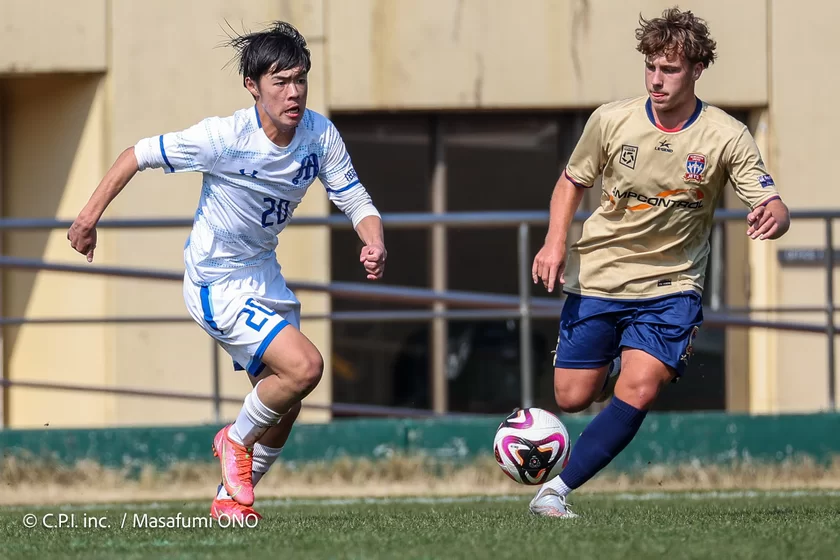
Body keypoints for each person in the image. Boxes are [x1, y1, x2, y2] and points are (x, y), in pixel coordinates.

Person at [67, 21, 386, 520]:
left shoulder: (319, 134)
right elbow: (136, 155)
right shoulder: (223, 137)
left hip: (263, 274)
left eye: (300, 79)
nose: (294, 92)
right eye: (280, 82)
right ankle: (234, 440)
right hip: (216, 280)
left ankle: (229, 501)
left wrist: (374, 241)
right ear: (252, 86)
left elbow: (354, 197)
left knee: (287, 402)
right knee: (306, 367)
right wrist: (87, 219)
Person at [529, 7, 790, 517]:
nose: (656, 79)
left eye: (669, 69)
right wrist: (554, 242)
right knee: (572, 396)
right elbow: (572, 182)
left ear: (696, 69)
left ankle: (555, 492)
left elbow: (769, 198)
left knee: (642, 385)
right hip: (600, 275)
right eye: (651, 66)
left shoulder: (725, 135)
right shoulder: (611, 120)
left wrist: (775, 213)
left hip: (672, 285)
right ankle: (615, 360)